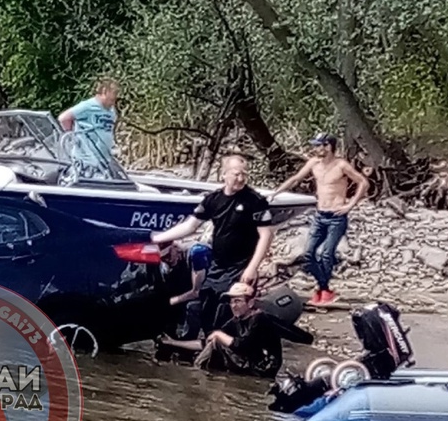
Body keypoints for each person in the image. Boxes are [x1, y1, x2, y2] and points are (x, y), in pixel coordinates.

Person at [149, 153, 273, 337]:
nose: (241, 179)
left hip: (241, 265)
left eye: (244, 175)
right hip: (218, 264)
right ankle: (205, 345)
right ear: (224, 174)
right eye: (236, 174)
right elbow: (190, 225)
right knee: (205, 304)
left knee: (227, 309)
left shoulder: (254, 201)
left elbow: (266, 235)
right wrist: (158, 239)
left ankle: (231, 345)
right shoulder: (213, 199)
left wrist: (252, 267)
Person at [269, 133, 370, 306]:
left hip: (336, 216)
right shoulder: (314, 163)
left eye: (318, 145)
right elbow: (296, 178)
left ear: (328, 147)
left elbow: (363, 183)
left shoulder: (341, 165)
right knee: (308, 254)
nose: (315, 149)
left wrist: (349, 205)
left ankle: (323, 290)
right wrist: (275, 193)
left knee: (326, 254)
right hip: (319, 214)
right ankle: (324, 289)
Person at [154, 281, 313, 375]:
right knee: (214, 342)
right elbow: (205, 342)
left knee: (217, 342)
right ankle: (199, 372)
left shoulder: (259, 318)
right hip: (246, 363)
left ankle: (197, 373)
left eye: (238, 301)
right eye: (231, 302)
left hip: (263, 368)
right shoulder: (235, 321)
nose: (233, 306)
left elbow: (242, 346)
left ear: (250, 303)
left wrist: (218, 335)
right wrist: (173, 343)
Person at [58, 79, 119, 160]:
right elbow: (63, 118)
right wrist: (73, 137)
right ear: (104, 92)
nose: (113, 103)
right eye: (111, 100)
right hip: (87, 159)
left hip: (104, 159)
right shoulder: (87, 106)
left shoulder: (111, 110)